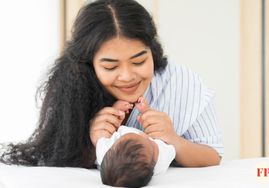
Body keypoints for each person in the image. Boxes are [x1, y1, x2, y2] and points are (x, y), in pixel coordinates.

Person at [1, 0, 223, 174]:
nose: (127, 76)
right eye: (110, 66)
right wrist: (91, 142)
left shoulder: (182, 82)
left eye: (138, 62)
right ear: (89, 65)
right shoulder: (70, 90)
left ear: (152, 50)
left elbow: (213, 155)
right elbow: (53, 160)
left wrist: (173, 140)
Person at [95, 99, 175, 187]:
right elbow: (168, 143)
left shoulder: (104, 152)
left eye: (121, 138)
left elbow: (103, 131)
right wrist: (147, 112)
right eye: (151, 145)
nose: (142, 134)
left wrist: (116, 111)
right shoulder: (161, 160)